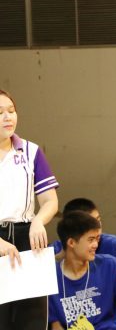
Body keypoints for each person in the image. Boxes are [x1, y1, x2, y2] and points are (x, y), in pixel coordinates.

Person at [0, 89, 59, 330]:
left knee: (32, 320)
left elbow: (50, 201)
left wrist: (38, 221)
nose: (8, 117)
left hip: (29, 240)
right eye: (0, 113)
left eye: (11, 111)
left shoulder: (31, 151)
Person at [48, 211, 116, 330]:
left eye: (97, 239)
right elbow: (55, 324)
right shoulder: (51, 275)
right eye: (90, 239)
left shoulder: (109, 265)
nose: (96, 245)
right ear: (71, 242)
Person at [52, 197, 116, 274]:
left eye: (98, 220)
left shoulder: (112, 244)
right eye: (91, 224)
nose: (98, 226)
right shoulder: (55, 249)